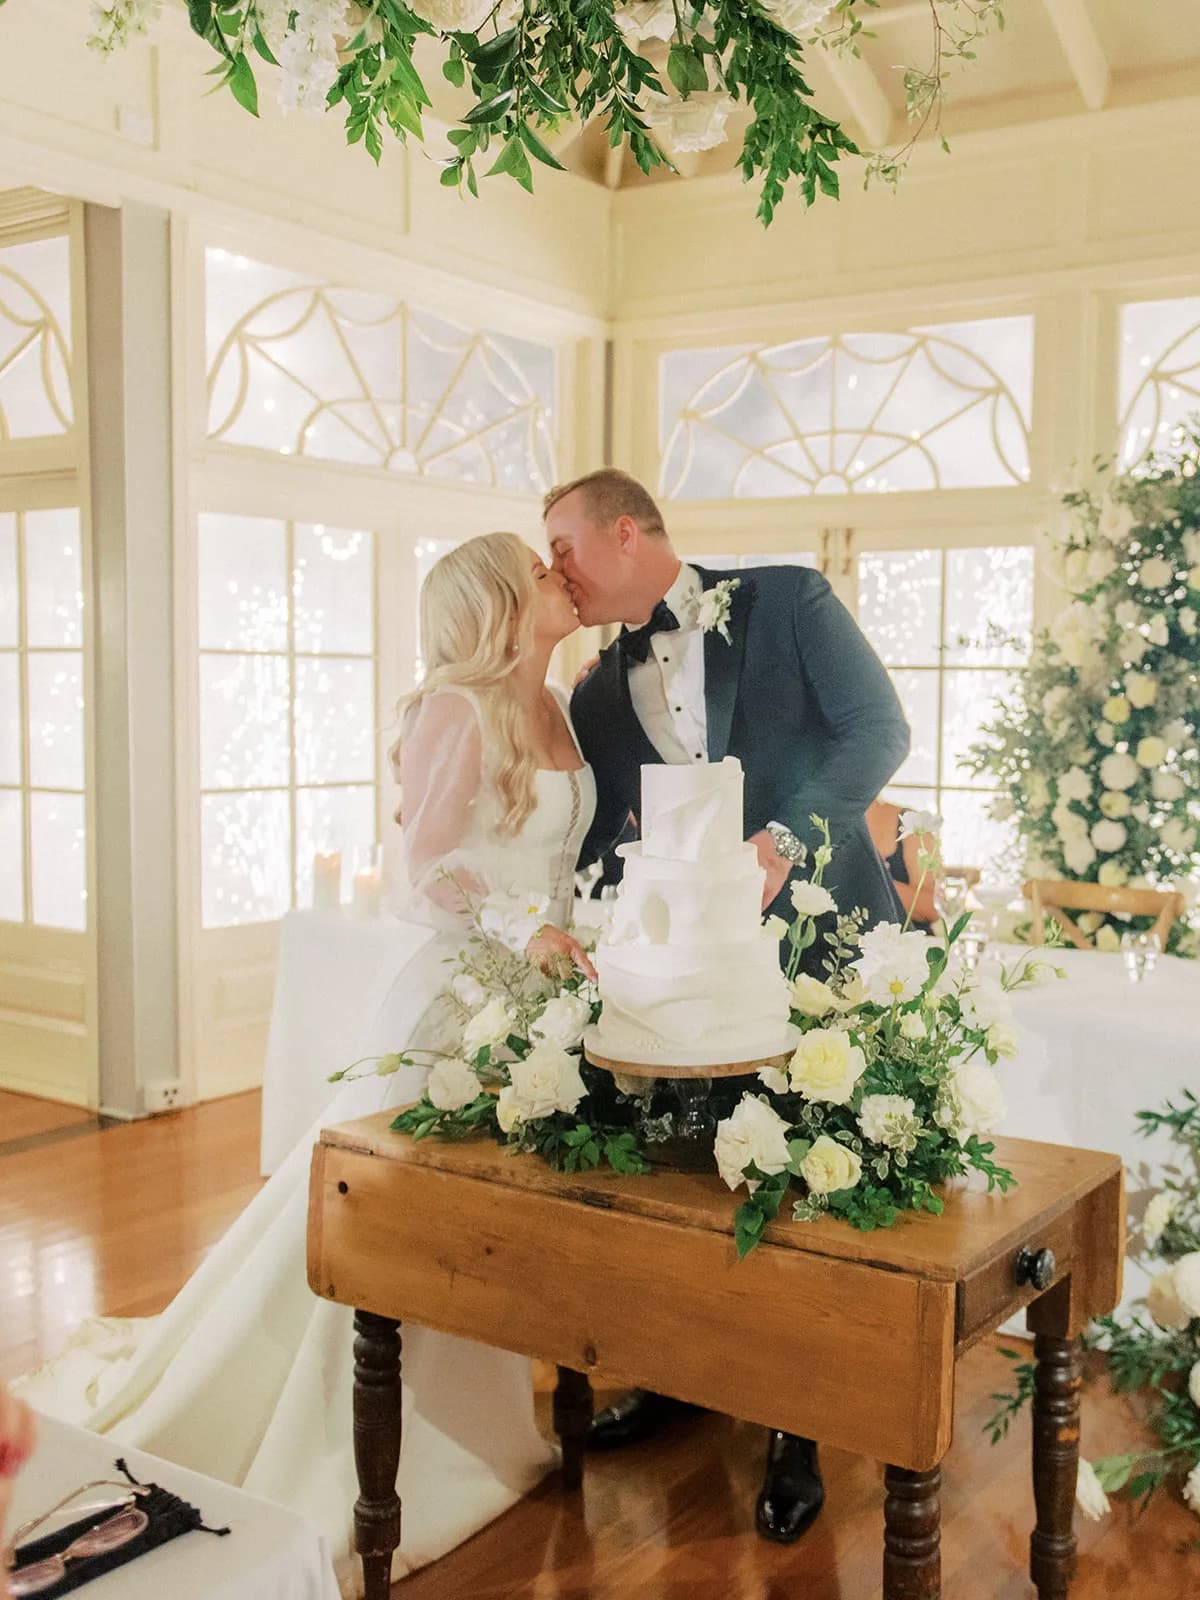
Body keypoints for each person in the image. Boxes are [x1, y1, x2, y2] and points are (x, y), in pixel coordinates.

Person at [16, 533, 595, 1597]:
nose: (558, 573)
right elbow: (424, 870)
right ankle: (345, 1454)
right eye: (538, 565)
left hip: (541, 1014)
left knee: (488, 1235)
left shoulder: (562, 707)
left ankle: (476, 1436)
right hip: (457, 1009)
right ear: (502, 600)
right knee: (394, 1230)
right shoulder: (452, 711)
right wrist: (529, 935)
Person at [548, 468, 910, 1545]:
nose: (554, 569)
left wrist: (783, 842)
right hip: (686, 975)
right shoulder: (594, 695)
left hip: (825, 941)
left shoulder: (788, 601)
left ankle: (799, 1422)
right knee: (689, 1172)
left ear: (625, 530)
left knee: (801, 1175)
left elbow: (876, 732)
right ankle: (680, 1373)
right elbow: (616, 828)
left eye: (564, 544)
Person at [867, 798, 937, 932]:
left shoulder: (912, 825)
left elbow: (933, 908)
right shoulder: (823, 821)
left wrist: (873, 885)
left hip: (908, 944)